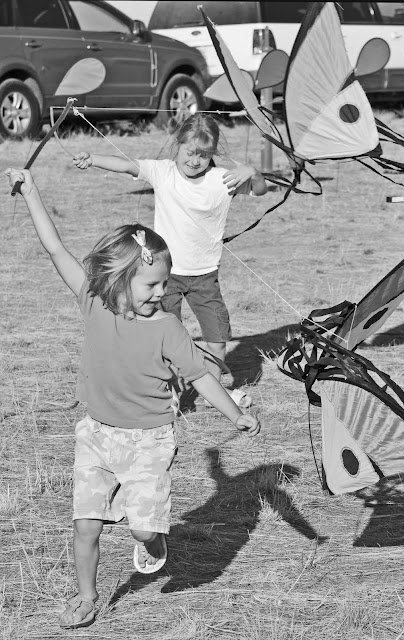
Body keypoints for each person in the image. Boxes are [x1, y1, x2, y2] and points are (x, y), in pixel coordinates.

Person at [4, 167, 260, 629]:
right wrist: (31, 192)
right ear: (119, 279)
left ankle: (153, 539)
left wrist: (234, 414)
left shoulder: (167, 328)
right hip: (97, 435)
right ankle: (87, 597)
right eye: (152, 285)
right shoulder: (93, 302)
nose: (162, 293)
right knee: (85, 525)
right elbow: (55, 248)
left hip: (149, 441)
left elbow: (201, 377)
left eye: (165, 283)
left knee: (142, 529)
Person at [73, 113, 267, 407]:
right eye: (190, 152)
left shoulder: (222, 179)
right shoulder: (163, 172)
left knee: (217, 338)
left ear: (213, 153)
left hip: (206, 276)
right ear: (178, 144)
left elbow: (261, 189)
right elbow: (126, 164)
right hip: (165, 278)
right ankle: (169, 395)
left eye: (204, 155)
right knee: (164, 338)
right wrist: (93, 159)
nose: (195, 161)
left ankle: (211, 392)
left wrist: (252, 171)